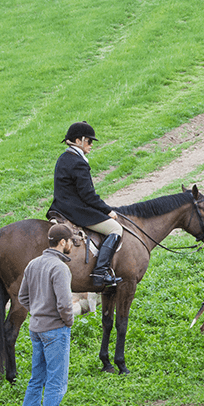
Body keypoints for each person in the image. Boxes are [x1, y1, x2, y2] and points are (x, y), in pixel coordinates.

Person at [18, 223, 76, 406]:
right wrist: (68, 321)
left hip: (36, 329)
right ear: (62, 242)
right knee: (56, 382)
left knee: (36, 380)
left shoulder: (33, 264)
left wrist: (38, 311)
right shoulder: (60, 268)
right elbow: (64, 304)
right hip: (55, 330)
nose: (72, 244)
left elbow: (22, 297)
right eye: (70, 241)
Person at [48, 122, 123, 288]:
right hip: (76, 210)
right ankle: (100, 273)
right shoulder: (78, 162)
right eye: (89, 141)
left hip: (60, 207)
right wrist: (107, 210)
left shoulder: (63, 158)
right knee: (116, 229)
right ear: (78, 141)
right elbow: (88, 195)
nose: (91, 144)